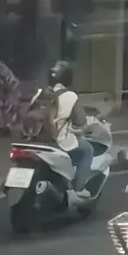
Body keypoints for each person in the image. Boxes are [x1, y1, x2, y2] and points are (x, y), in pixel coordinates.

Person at [48, 61, 94, 195]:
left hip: (37, 140)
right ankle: (78, 189)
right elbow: (81, 121)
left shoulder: (42, 93)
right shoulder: (71, 96)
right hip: (58, 142)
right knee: (87, 150)